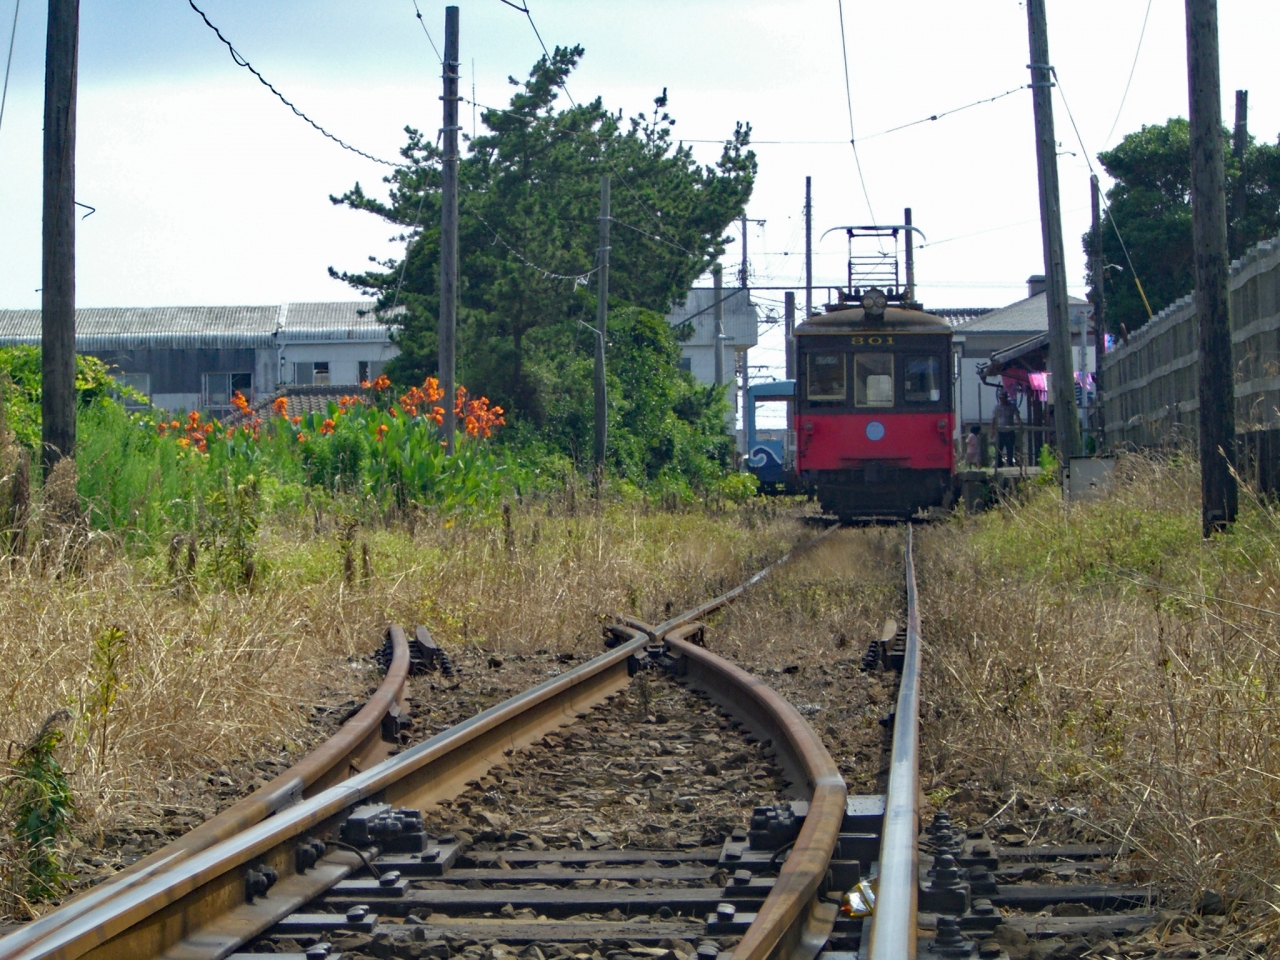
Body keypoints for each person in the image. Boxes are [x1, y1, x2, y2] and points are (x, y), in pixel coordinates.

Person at [991, 389, 1022, 467]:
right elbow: (994, 419)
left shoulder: (1012, 406)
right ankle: (999, 463)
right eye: (1000, 398)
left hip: (1010, 430)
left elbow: (1017, 416)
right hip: (1000, 430)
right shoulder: (997, 407)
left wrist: (1020, 425)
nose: (1002, 400)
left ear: (1006, 398)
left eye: (1003, 398)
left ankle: (1010, 462)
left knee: (1010, 448)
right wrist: (992, 431)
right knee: (999, 448)